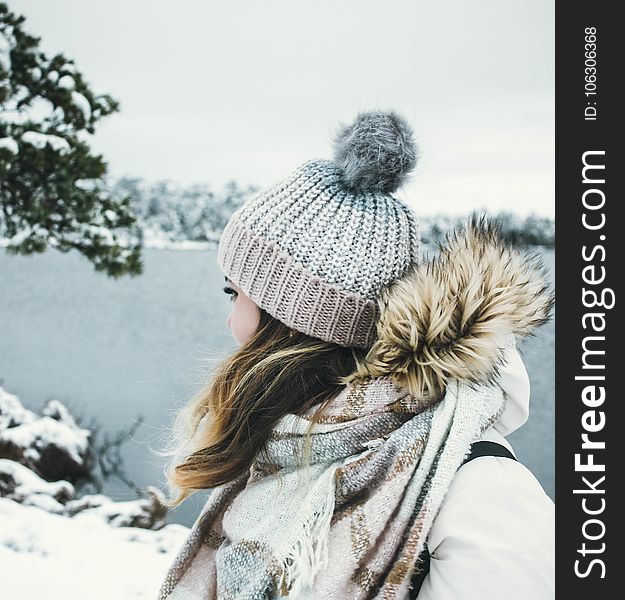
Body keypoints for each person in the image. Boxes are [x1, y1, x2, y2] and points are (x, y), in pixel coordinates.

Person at [156, 110, 555, 599]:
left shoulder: (483, 496)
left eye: (234, 293)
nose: (230, 323)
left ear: (294, 323)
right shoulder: (287, 451)